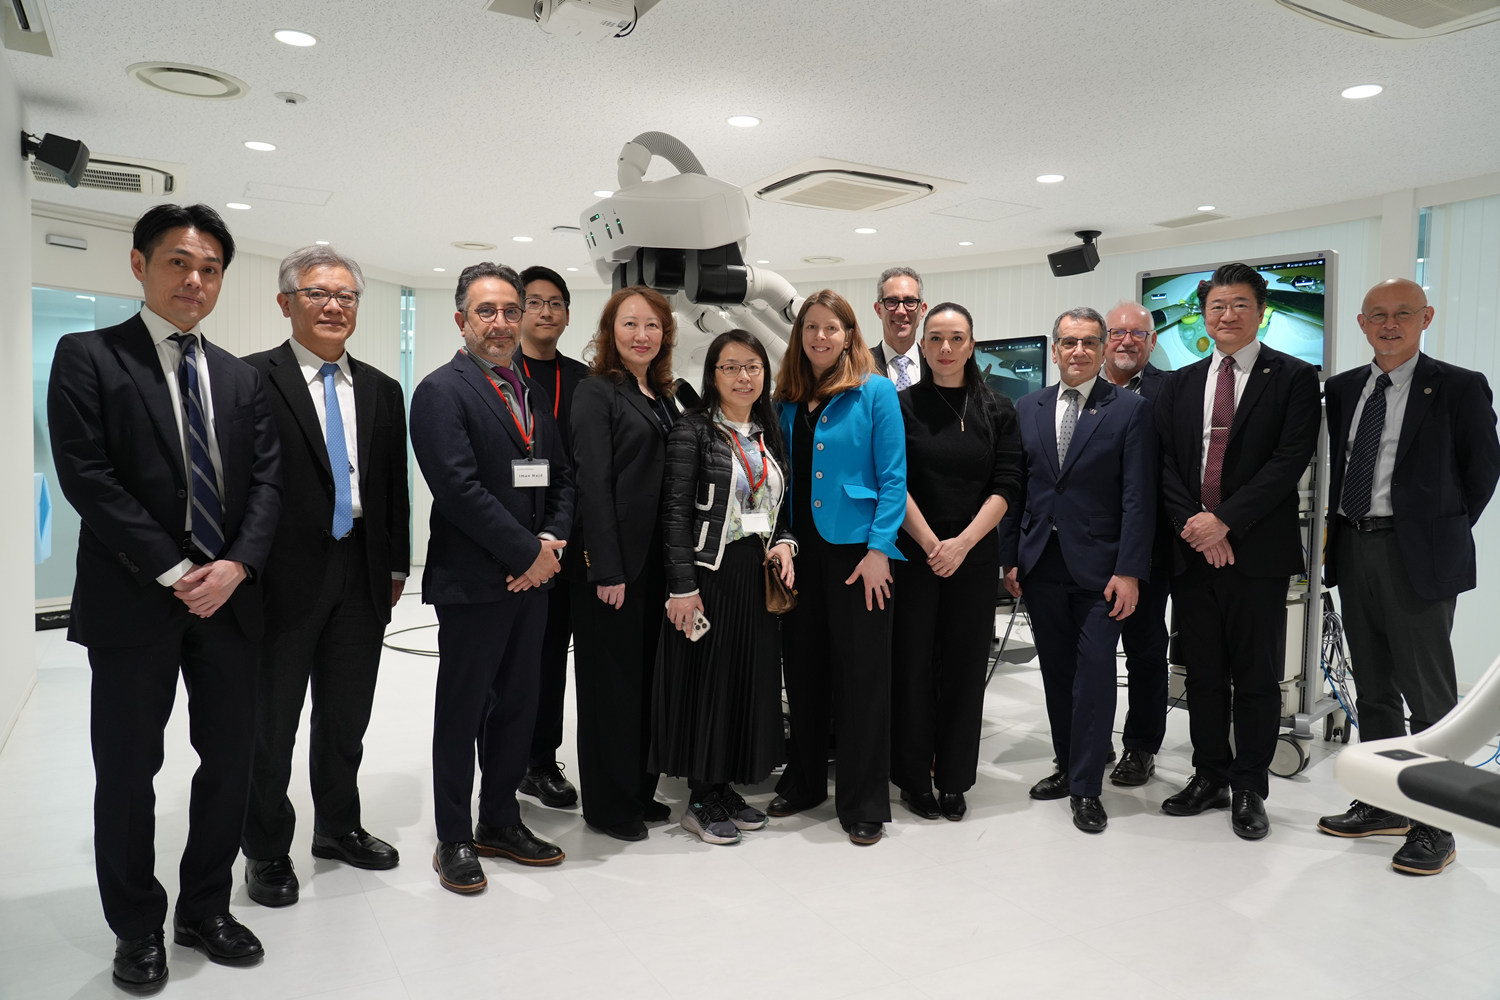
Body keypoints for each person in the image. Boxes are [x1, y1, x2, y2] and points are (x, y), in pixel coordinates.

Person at [47, 204, 282, 989]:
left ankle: (205, 908)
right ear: (140, 265)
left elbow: (267, 487)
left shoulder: (243, 377)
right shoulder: (88, 356)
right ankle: (137, 926)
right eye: (180, 262)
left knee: (229, 762)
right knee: (126, 770)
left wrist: (237, 566)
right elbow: (87, 475)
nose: (195, 280)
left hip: (229, 603)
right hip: (132, 601)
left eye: (210, 268)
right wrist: (173, 569)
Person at [240, 245, 411, 907]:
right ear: (286, 303)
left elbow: (392, 488)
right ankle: (265, 850)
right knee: (271, 724)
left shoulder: (381, 389)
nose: (335, 305)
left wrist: (396, 563)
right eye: (317, 293)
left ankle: (338, 828)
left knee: (346, 718)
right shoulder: (252, 379)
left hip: (361, 570)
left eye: (346, 295)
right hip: (281, 579)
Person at [1316, 278, 1500, 875]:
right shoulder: (1342, 390)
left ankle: (1435, 825)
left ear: (1426, 318)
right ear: (1362, 324)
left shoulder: (1459, 386)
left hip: (1416, 555)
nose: (1389, 324)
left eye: (1403, 314)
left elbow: (1481, 473)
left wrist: (1433, 531)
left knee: (1429, 696)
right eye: (1378, 316)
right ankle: (1381, 802)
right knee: (1372, 687)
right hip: (1354, 546)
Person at [409, 262, 574, 894]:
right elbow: (457, 489)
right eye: (487, 311)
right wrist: (525, 555)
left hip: (533, 580)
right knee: (463, 709)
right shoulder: (440, 392)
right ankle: (454, 835)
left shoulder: (528, 388)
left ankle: (500, 819)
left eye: (511, 311)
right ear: (461, 320)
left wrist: (552, 543)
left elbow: (560, 475)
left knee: (519, 706)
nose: (502, 323)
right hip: (478, 583)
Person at [1154, 263, 1320, 841]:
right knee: (1201, 673)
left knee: (1256, 676)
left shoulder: (1295, 378)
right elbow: (1166, 464)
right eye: (1217, 306)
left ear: (1260, 311)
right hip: (1192, 553)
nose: (1226, 315)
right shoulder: (1179, 382)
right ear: (1204, 313)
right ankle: (1209, 775)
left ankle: (1250, 785)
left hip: (1257, 553)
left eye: (1239, 305)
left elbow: (1288, 461)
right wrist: (1196, 525)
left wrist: (1225, 520)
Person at [999, 307, 1156, 834]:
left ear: (1104, 346)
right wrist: (1010, 556)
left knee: (1093, 677)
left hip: (1103, 571)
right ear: (1054, 348)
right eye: (1069, 342)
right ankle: (1067, 766)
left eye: (1090, 342)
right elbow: (1016, 489)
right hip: (1041, 564)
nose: (1079, 351)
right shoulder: (1028, 407)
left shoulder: (1130, 409)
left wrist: (1130, 570)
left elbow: (1139, 498)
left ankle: (1088, 787)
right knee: (1056, 674)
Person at [770, 289, 907, 846]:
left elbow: (894, 477)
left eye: (832, 328)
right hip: (800, 554)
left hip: (858, 556)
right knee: (803, 673)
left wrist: (880, 550)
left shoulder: (876, 393)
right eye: (811, 329)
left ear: (849, 335)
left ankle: (864, 798)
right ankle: (803, 782)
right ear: (799, 337)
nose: (820, 338)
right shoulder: (786, 397)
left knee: (862, 678)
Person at [652, 330, 798, 844]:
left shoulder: (768, 429)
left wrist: (785, 543)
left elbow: (780, 507)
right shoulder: (693, 431)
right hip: (708, 577)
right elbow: (672, 514)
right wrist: (681, 587)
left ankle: (725, 788)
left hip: (756, 576)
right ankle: (699, 797)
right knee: (707, 684)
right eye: (731, 367)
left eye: (753, 367)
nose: (743, 377)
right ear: (712, 375)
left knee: (745, 683)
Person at [892, 304, 1021, 822]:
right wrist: (930, 544)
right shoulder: (901, 407)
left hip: (972, 559)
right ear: (922, 346)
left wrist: (961, 544)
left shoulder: (999, 410)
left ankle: (953, 780)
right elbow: (891, 483)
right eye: (936, 339)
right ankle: (911, 776)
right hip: (915, 555)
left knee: (965, 671)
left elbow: (1008, 485)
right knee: (913, 670)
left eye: (957, 338)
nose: (946, 348)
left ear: (972, 345)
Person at [570, 286, 682, 841]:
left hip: (659, 565)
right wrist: (605, 567)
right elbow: (593, 484)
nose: (642, 335)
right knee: (610, 689)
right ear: (610, 332)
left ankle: (640, 791)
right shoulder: (597, 393)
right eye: (630, 325)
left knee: (645, 686)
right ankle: (610, 807)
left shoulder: (662, 394)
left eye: (652, 326)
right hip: (616, 569)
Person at [515, 265, 591, 810]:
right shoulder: (496, 371)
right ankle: (505, 759)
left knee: (550, 657)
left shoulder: (584, 378)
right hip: (511, 539)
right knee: (508, 663)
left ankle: (541, 761)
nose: (546, 312)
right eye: (534, 302)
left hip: (567, 539)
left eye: (555, 303)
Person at [1100, 300, 1172, 787]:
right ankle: (1091, 736)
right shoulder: (1077, 389)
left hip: (1149, 548)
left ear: (1151, 341)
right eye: (1118, 332)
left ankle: (1141, 747)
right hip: (1084, 547)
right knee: (1092, 653)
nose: (1127, 341)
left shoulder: (1175, 392)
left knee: (1146, 650)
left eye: (1138, 334)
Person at [870, 266, 928, 389]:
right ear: (878, 310)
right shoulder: (859, 366)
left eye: (910, 302)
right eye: (891, 302)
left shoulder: (937, 366)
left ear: (922, 310)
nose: (901, 311)